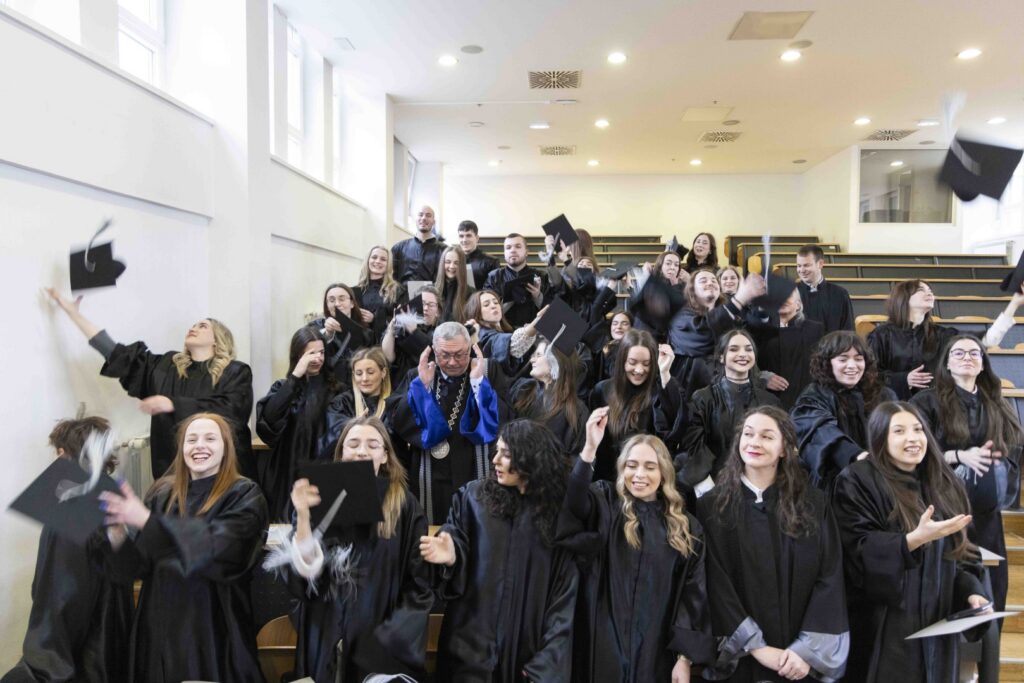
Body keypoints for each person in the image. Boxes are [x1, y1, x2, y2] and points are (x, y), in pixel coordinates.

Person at [98, 412, 269, 683]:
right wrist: (118, 533)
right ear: (181, 448)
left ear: (226, 447)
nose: (199, 445)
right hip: (158, 627)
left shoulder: (244, 494)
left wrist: (147, 521)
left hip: (211, 628)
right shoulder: (162, 493)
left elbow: (224, 548)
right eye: (192, 439)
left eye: (210, 439)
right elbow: (137, 567)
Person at [832, 401, 990, 682]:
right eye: (899, 431)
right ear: (880, 438)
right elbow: (856, 550)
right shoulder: (857, 480)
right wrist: (911, 541)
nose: (913, 438)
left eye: (918, 429)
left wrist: (971, 593)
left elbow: (963, 554)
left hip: (937, 626)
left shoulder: (943, 482)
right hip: (885, 628)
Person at [267, 416, 433, 682]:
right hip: (326, 634)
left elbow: (419, 584)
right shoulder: (318, 497)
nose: (362, 451)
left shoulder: (405, 506)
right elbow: (303, 581)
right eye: (353, 444)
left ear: (385, 456)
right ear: (341, 453)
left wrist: (390, 641)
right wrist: (304, 516)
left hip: (380, 640)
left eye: (373, 445)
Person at [558, 409, 715, 682]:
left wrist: (683, 658)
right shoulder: (606, 503)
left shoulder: (684, 527)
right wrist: (590, 448)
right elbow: (575, 503)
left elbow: (693, 596)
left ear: (664, 473)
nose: (639, 474)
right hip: (602, 646)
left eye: (650, 467)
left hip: (656, 652)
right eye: (631, 465)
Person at [419, 419, 579, 682]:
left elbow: (563, 598)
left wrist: (546, 663)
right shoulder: (474, 499)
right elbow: (455, 537)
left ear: (531, 457)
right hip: (468, 651)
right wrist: (452, 555)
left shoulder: (556, 517)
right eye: (497, 451)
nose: (494, 460)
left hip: (526, 659)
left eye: (506, 454)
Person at [697, 406, 849, 682]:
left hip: (798, 662)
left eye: (767, 436)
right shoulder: (713, 507)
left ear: (784, 449)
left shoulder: (813, 504)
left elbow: (829, 576)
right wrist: (756, 647)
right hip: (741, 661)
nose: (754, 442)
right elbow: (715, 584)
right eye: (748, 434)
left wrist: (805, 652)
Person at [47, 288, 255, 480]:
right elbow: (116, 354)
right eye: (193, 325)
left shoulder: (236, 371)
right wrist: (74, 315)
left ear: (218, 340)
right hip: (174, 476)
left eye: (203, 326)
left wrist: (173, 404)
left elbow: (232, 411)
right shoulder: (166, 367)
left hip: (225, 475)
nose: (194, 328)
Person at [3, 417, 132, 683]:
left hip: (81, 662)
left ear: (64, 455)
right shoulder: (114, 504)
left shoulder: (72, 511)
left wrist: (41, 669)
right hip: (112, 654)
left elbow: (61, 601)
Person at [911, 335, 1024, 614]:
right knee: (951, 583)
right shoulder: (926, 401)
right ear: (947, 363)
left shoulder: (996, 403)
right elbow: (914, 451)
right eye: (959, 353)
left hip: (985, 513)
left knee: (992, 587)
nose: (967, 358)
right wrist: (959, 456)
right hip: (940, 506)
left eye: (975, 353)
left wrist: (996, 463)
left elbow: (1013, 446)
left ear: (983, 364)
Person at [391, 322, 508, 524]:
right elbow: (397, 421)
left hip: (475, 467)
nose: (452, 362)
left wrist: (479, 383)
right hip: (430, 475)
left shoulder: (488, 371)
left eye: (460, 355)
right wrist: (422, 387)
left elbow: (505, 418)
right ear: (433, 351)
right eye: (444, 355)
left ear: (470, 349)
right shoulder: (418, 374)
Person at [867, 279, 1023, 400]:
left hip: (935, 407)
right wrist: (903, 380)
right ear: (903, 298)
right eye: (921, 290)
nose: (930, 293)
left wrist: (1014, 303)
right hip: (893, 406)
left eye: (930, 291)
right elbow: (870, 374)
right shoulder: (881, 335)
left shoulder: (942, 334)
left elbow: (988, 340)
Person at [678, 330, 781, 497]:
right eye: (734, 349)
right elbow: (693, 444)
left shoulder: (770, 401)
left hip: (760, 487)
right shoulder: (703, 398)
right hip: (714, 486)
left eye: (748, 349)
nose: (743, 354)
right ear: (721, 357)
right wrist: (707, 487)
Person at [792, 331, 897, 491]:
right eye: (843, 359)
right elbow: (819, 431)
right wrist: (856, 455)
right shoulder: (814, 396)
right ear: (827, 363)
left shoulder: (884, 395)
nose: (852, 366)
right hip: (835, 485)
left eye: (858, 359)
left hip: (882, 480)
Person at [256, 326, 341, 521]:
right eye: (311, 353)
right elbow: (269, 420)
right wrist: (295, 377)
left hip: (323, 469)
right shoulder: (283, 387)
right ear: (298, 355)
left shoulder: (336, 390)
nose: (318, 358)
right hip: (286, 471)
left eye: (321, 352)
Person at [588, 329, 686, 481]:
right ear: (622, 361)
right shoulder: (602, 391)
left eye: (646, 364)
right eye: (632, 362)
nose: (639, 370)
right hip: (609, 479)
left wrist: (665, 373)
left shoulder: (659, 391)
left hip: (646, 479)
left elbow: (674, 429)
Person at [667, 269, 767, 393]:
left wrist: (761, 305)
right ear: (692, 290)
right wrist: (740, 298)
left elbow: (754, 339)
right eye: (703, 281)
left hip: (732, 391)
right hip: (693, 392)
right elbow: (704, 334)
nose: (710, 283)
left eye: (714, 280)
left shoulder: (732, 318)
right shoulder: (680, 316)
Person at [511, 338, 589, 457]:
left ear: (556, 361)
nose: (532, 359)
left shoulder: (577, 411)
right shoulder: (523, 390)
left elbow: (576, 456)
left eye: (538, 355)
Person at [753, 287, 825, 409]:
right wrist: (762, 378)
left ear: (798, 305)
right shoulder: (760, 330)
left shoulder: (815, 330)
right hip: (770, 400)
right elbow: (751, 362)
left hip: (807, 400)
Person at [381, 285, 442, 391]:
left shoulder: (442, 331)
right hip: (400, 385)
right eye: (422, 304)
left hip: (428, 386)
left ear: (438, 312)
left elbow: (434, 353)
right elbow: (388, 357)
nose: (425, 308)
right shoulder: (402, 328)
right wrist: (391, 330)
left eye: (431, 305)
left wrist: (414, 331)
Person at [314, 282, 373, 389]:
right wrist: (327, 334)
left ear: (352, 303)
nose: (337, 304)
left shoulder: (365, 333)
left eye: (342, 299)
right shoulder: (316, 327)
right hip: (326, 387)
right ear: (327, 305)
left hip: (357, 387)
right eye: (331, 300)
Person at [483, 233, 549, 328]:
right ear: (504, 253)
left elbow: (551, 311)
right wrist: (509, 299)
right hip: (502, 332)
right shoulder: (493, 277)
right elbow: (486, 311)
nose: (513, 250)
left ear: (526, 252)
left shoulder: (542, 276)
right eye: (508, 248)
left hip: (534, 331)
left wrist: (538, 296)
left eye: (518, 247)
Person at [794, 245, 855, 333]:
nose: (802, 270)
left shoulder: (840, 294)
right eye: (799, 266)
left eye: (806, 265)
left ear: (820, 264)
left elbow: (848, 332)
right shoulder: (790, 293)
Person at [353, 245, 405, 339]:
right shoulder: (355, 291)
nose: (378, 261)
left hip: (386, 342)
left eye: (383, 259)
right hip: (360, 342)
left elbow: (402, 321)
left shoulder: (397, 290)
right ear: (368, 260)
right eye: (374, 257)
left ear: (388, 264)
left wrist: (375, 319)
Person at [392, 205, 445, 283]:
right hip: (403, 291)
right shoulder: (398, 248)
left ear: (434, 221)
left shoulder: (444, 250)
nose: (423, 218)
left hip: (434, 290)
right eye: (420, 215)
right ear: (416, 219)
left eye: (428, 215)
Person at [434, 244, 474, 323]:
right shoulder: (431, 291)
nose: (452, 266)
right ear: (442, 264)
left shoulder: (471, 293)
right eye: (448, 262)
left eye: (456, 263)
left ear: (462, 266)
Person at [457, 219, 501, 290]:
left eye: (468, 235)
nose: (464, 240)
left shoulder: (491, 262)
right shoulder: (453, 261)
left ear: (477, 238)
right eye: (461, 236)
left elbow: (494, 290)